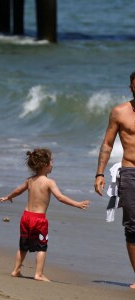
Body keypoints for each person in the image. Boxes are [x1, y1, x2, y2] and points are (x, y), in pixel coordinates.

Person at [0, 148, 90, 281]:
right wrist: (76, 204)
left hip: (26, 217)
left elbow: (18, 190)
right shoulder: (49, 182)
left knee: (23, 246)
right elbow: (60, 197)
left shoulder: (30, 180)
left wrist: (8, 197)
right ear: (45, 165)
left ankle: (15, 270)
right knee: (42, 246)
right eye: (52, 161)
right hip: (39, 220)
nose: (53, 164)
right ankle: (39, 274)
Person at [94, 71, 135, 289]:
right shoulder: (119, 112)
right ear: (131, 87)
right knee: (132, 226)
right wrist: (99, 173)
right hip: (130, 173)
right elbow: (108, 144)